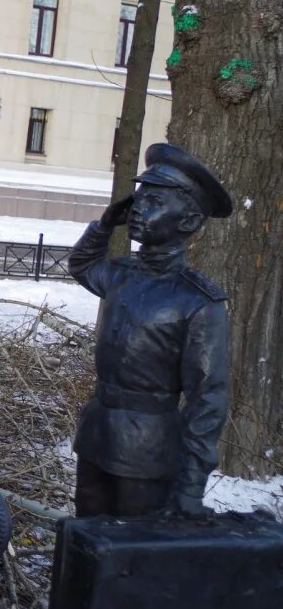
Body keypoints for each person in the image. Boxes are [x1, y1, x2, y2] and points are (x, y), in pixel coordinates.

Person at [68, 143, 232, 518]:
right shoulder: (122, 274)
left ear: (188, 221)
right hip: (97, 436)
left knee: (130, 556)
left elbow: (208, 399)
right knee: (87, 539)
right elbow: (81, 265)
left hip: (148, 449)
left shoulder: (198, 301)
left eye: (155, 202)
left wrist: (191, 484)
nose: (139, 209)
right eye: (139, 199)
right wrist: (105, 225)